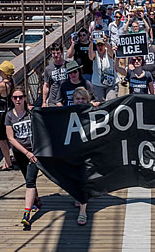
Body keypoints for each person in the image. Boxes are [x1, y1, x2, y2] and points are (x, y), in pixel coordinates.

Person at [5, 86, 40, 227]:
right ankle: (36, 200)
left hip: (34, 151)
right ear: (12, 99)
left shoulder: (31, 112)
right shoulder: (9, 116)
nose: (18, 100)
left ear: (25, 98)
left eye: (20, 97)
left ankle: (27, 214)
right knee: (27, 178)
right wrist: (25, 153)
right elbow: (11, 138)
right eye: (15, 97)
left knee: (30, 181)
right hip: (21, 152)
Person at [71, 87, 91, 225]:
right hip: (72, 151)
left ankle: (83, 212)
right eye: (77, 99)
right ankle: (78, 197)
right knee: (75, 177)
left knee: (84, 178)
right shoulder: (67, 113)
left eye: (83, 99)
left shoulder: (92, 113)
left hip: (87, 150)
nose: (80, 101)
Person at [89, 37, 119, 102]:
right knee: (99, 102)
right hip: (98, 83)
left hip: (112, 82)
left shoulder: (108, 52)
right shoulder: (95, 53)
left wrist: (106, 42)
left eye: (102, 45)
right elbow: (91, 56)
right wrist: (91, 43)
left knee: (111, 101)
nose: (100, 47)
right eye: (98, 45)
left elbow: (111, 52)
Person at [42, 43, 68, 107]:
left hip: (66, 100)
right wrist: (44, 102)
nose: (56, 55)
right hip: (53, 101)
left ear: (61, 52)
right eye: (53, 53)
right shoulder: (48, 69)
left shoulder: (68, 65)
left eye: (58, 53)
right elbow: (46, 85)